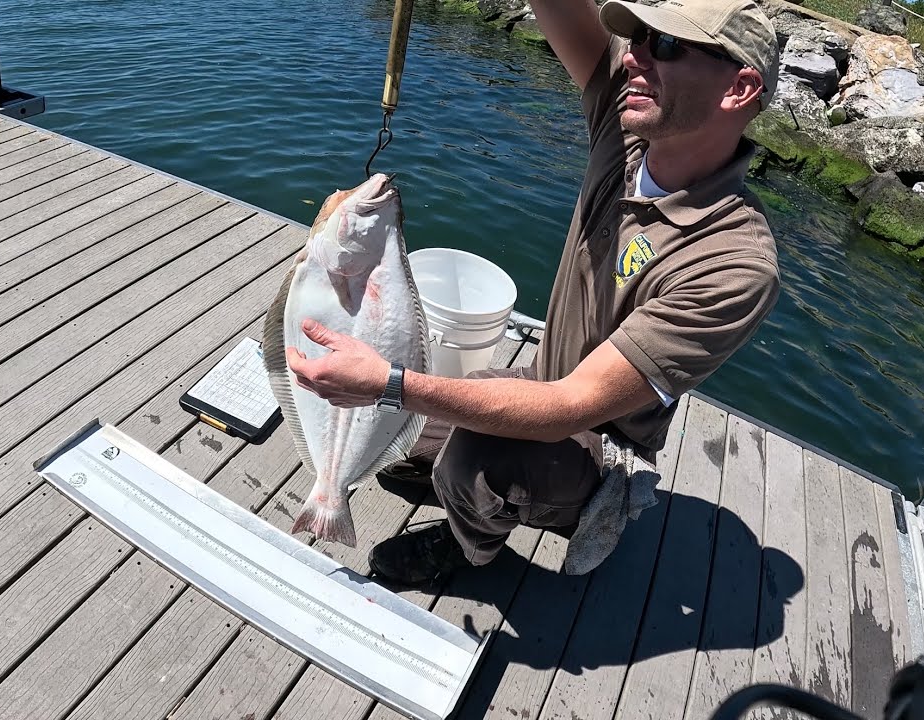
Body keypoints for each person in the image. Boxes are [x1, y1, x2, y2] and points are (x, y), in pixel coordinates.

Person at [285, 0, 782, 585]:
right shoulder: (623, 130)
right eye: (638, 39)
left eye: (666, 46)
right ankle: (461, 482)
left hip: (600, 437)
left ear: (739, 89)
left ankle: (469, 547)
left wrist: (388, 383)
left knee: (475, 461)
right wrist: (395, 393)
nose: (635, 58)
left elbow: (569, 408)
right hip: (541, 383)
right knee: (409, 438)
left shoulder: (734, 265)